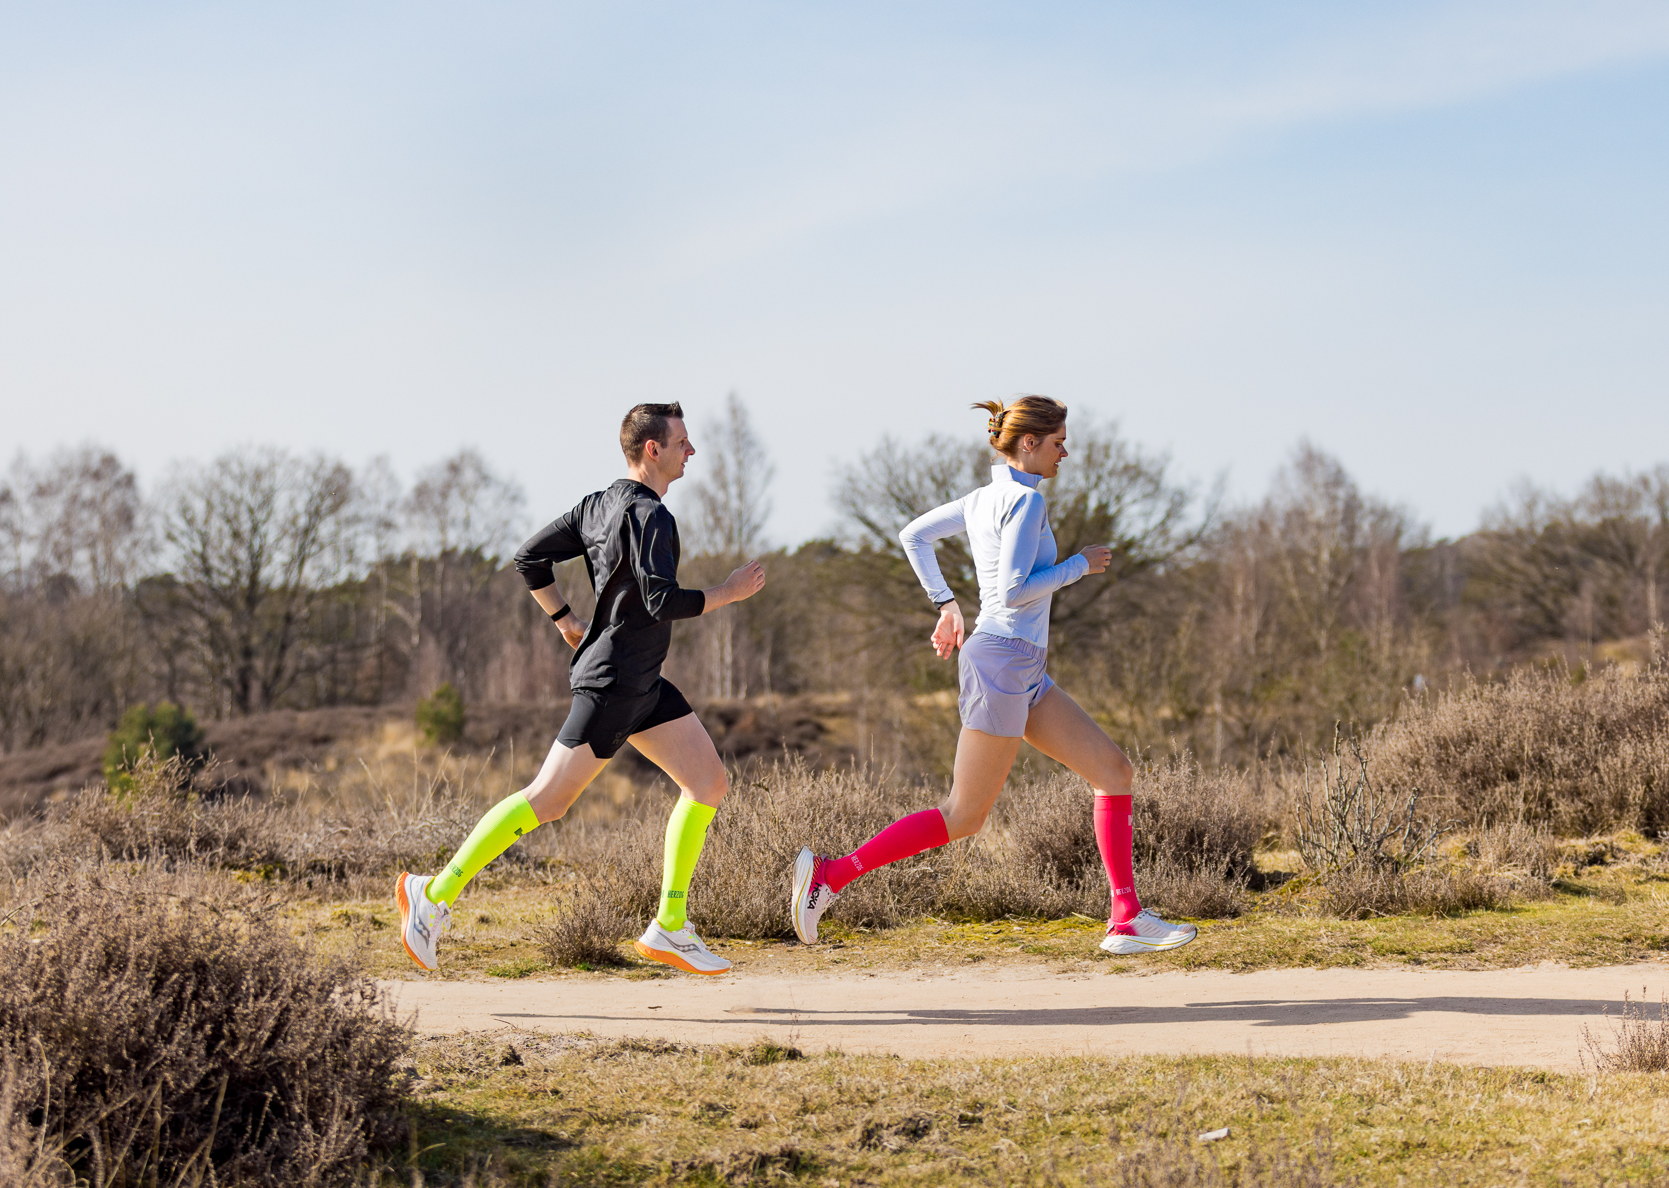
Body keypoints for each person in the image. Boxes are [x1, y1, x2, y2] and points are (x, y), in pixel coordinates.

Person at [788, 396, 1196, 955]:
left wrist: (946, 605)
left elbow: (914, 536)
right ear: (1028, 443)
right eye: (1058, 442)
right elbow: (1011, 590)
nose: (1065, 452)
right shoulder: (1025, 504)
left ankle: (1126, 918)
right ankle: (829, 877)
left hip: (1021, 666)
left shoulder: (982, 499)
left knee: (1113, 770)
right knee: (964, 815)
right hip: (1001, 662)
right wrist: (1079, 564)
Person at [395, 402, 766, 976]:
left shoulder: (597, 506)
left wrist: (566, 621)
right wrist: (729, 591)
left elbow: (529, 560)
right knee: (548, 799)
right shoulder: (651, 516)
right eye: (683, 442)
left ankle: (670, 926)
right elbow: (660, 600)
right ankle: (434, 894)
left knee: (708, 782)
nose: (691, 451)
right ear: (653, 449)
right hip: (614, 682)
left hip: (643, 681)